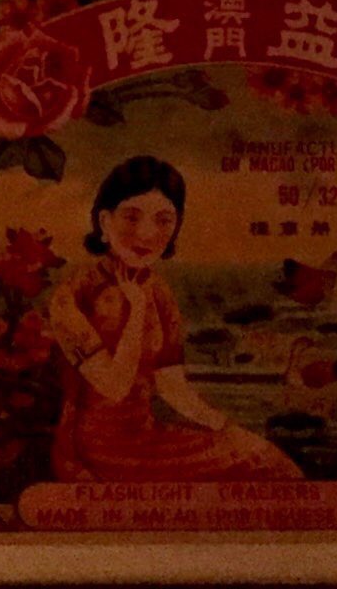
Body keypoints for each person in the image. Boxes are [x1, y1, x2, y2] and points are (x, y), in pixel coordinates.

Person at [48, 156, 301, 483]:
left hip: (148, 438)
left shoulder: (159, 292)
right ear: (105, 221)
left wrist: (228, 428)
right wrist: (137, 308)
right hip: (95, 449)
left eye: (164, 220)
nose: (147, 233)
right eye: (132, 217)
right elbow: (115, 386)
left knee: (266, 461)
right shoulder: (73, 296)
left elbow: (172, 387)